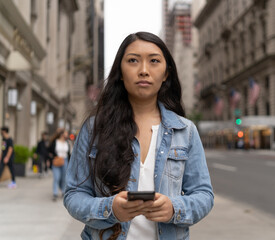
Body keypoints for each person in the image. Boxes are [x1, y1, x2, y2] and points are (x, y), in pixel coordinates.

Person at [64, 32, 214, 240]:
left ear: (166, 73)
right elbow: (73, 195)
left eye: (154, 61)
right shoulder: (94, 129)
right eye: (133, 60)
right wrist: (110, 209)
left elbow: (204, 195)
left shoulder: (185, 131)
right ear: (121, 72)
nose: (144, 70)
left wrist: (173, 208)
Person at [48, 129, 70, 201]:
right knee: (56, 177)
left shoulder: (67, 142)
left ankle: (63, 191)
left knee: (63, 177)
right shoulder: (55, 142)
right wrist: (51, 158)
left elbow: (69, 153)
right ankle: (55, 193)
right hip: (57, 161)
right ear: (62, 134)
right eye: (65, 133)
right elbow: (49, 151)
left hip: (65, 160)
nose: (67, 134)